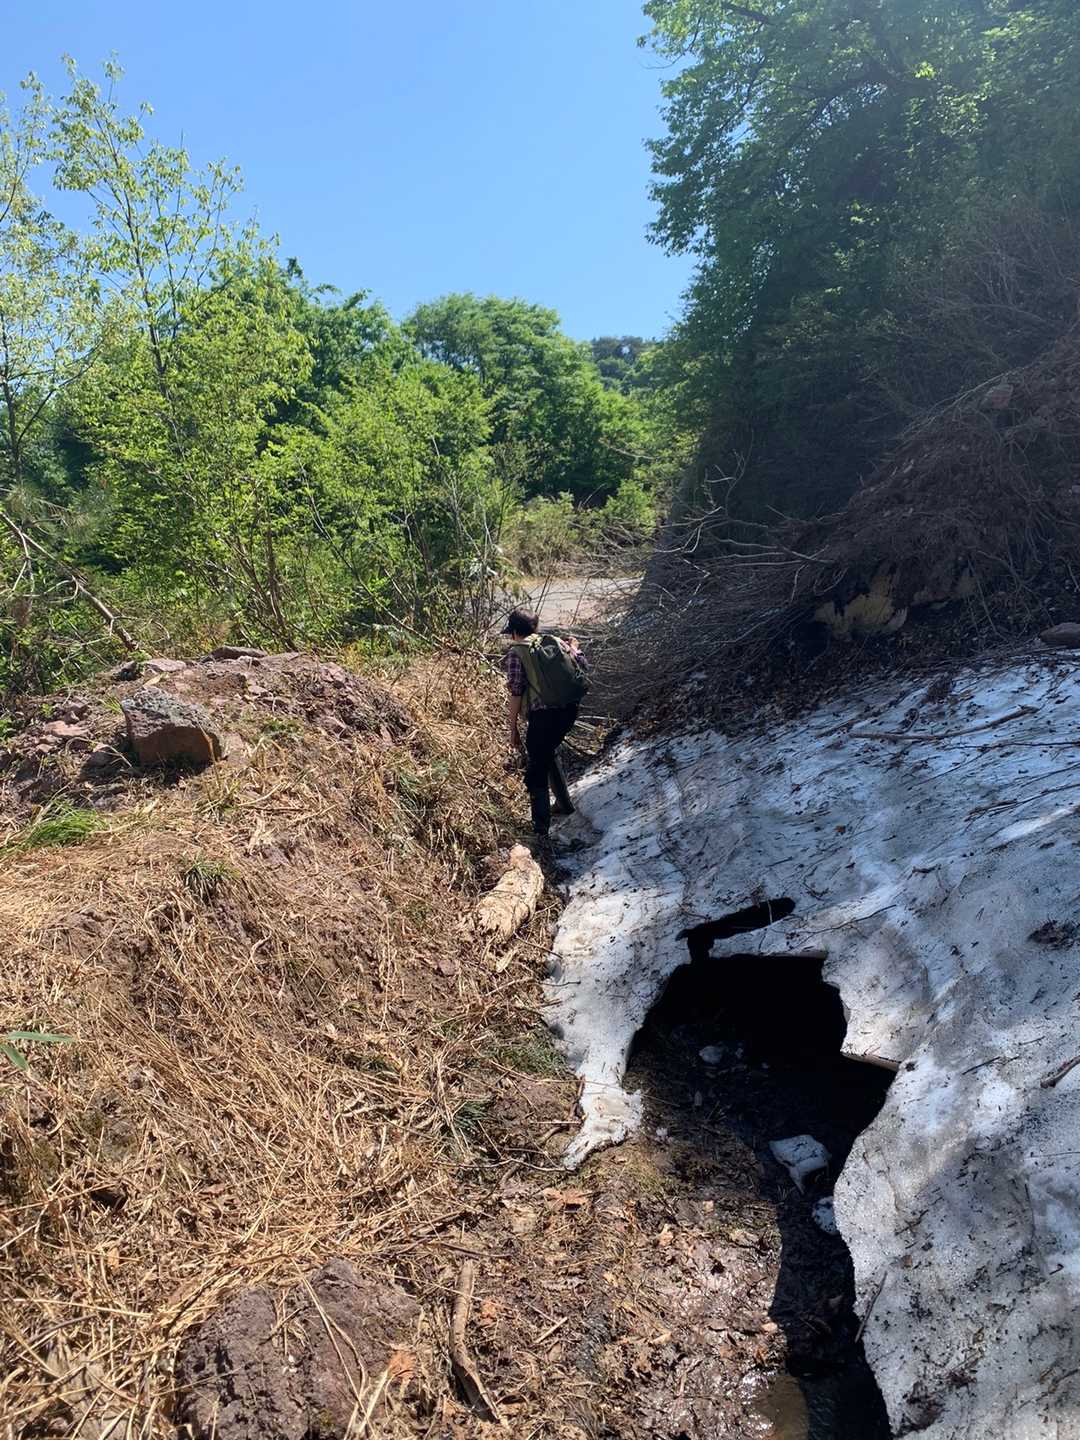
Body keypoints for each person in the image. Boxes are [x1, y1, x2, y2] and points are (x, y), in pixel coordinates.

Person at [502, 608, 585, 837]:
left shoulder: (516, 653)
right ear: (535, 628)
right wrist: (575, 647)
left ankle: (540, 830)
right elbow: (582, 664)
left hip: (543, 718)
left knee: (536, 768)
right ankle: (564, 804)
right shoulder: (556, 641)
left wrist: (512, 729)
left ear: (514, 632)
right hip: (570, 710)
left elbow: (516, 692)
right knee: (547, 751)